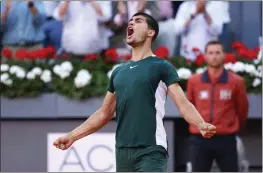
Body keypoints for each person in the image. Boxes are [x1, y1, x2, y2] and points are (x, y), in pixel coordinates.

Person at [53, 12, 216, 172]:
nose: (131, 23)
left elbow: (183, 104)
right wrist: (72, 136)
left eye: (138, 21)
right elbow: (104, 113)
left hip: (151, 149)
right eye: (130, 21)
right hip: (123, 152)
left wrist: (200, 123)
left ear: (150, 33)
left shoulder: (162, 66)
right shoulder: (119, 72)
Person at [186, 40, 249, 172]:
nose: (214, 56)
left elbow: (242, 109)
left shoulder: (236, 81)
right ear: (205, 56)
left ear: (224, 55)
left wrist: (234, 127)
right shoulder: (194, 81)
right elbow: (188, 108)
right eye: (211, 53)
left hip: (226, 138)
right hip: (200, 139)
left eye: (217, 52)